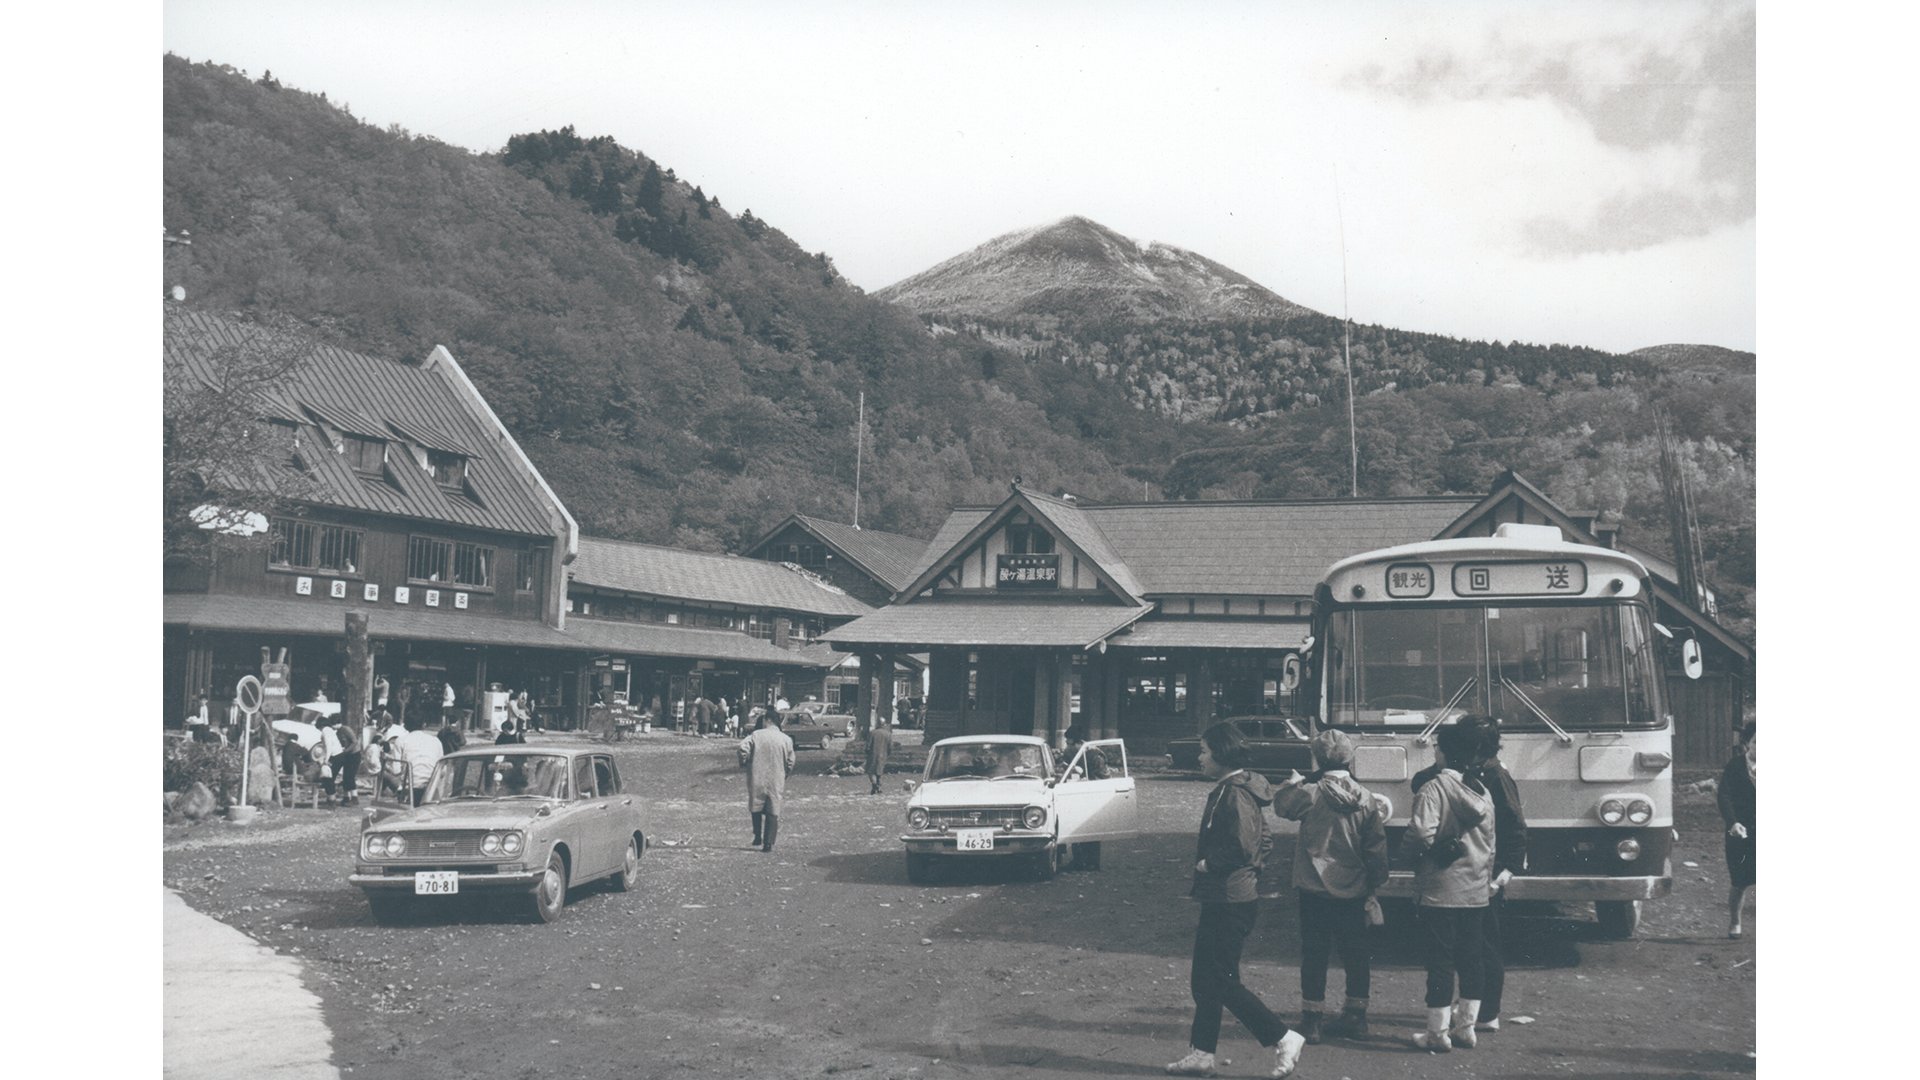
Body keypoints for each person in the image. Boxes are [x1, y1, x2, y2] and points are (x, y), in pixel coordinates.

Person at [1167, 722, 1306, 1079]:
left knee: (1219, 979)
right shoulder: (1240, 788)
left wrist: (1211, 863)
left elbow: (1245, 844)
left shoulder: (1234, 793)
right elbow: (1265, 841)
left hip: (1229, 898)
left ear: (1222, 754)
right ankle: (1201, 1053)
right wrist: (1250, 869)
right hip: (1229, 895)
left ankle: (1283, 1036)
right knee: (1205, 979)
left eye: (1203, 750)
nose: (1199, 757)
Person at [1271, 729, 1388, 1043]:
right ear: (1349, 757)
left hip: (1314, 886)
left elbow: (1280, 807)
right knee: (1356, 953)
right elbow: (1375, 847)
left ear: (1317, 758)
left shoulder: (1310, 794)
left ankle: (1311, 1022)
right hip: (1354, 885)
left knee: (1314, 954)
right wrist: (1375, 883)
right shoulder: (1365, 798)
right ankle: (1356, 1016)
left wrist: (1293, 783)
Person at [1403, 717, 1495, 1052]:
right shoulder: (1481, 790)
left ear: (1444, 753)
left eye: (1438, 747)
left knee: (1439, 961)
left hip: (1440, 889)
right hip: (1475, 888)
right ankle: (1466, 1028)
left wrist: (1411, 857)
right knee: (1472, 959)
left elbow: (1419, 833)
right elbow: (1490, 843)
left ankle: (1437, 1033)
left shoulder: (1433, 789)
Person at [1467, 718, 1528, 1034]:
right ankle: (1477, 1007)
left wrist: (1504, 874)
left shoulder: (1497, 778)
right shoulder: (1482, 773)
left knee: (1487, 944)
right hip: (1481, 872)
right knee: (1476, 943)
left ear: (1477, 747)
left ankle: (1488, 1012)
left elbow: (1515, 827)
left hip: (1490, 874)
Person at [1718, 720, 1757, 939]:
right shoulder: (1734, 766)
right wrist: (1732, 822)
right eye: (1757, 741)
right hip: (1740, 831)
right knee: (1740, 881)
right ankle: (1735, 921)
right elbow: (1724, 796)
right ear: (1747, 743)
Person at [739, 708, 796, 852]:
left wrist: (744, 761)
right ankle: (768, 843)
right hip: (777, 777)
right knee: (773, 809)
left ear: (767, 720)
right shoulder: (786, 739)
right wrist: (786, 773)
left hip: (757, 775)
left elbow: (742, 748)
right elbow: (791, 761)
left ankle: (757, 835)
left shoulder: (756, 735)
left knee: (756, 805)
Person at [397, 715, 445, 807]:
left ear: (405, 726)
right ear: (424, 725)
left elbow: (395, 770)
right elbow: (442, 771)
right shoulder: (435, 741)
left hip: (409, 789)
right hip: (431, 789)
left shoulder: (401, 741)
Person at [865, 715, 893, 795]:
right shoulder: (888, 734)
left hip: (872, 754)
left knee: (871, 771)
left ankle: (874, 785)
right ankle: (878, 786)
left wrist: (867, 753)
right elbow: (890, 747)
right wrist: (887, 754)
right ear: (884, 724)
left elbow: (868, 746)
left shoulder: (872, 733)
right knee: (879, 772)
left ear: (877, 724)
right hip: (883, 755)